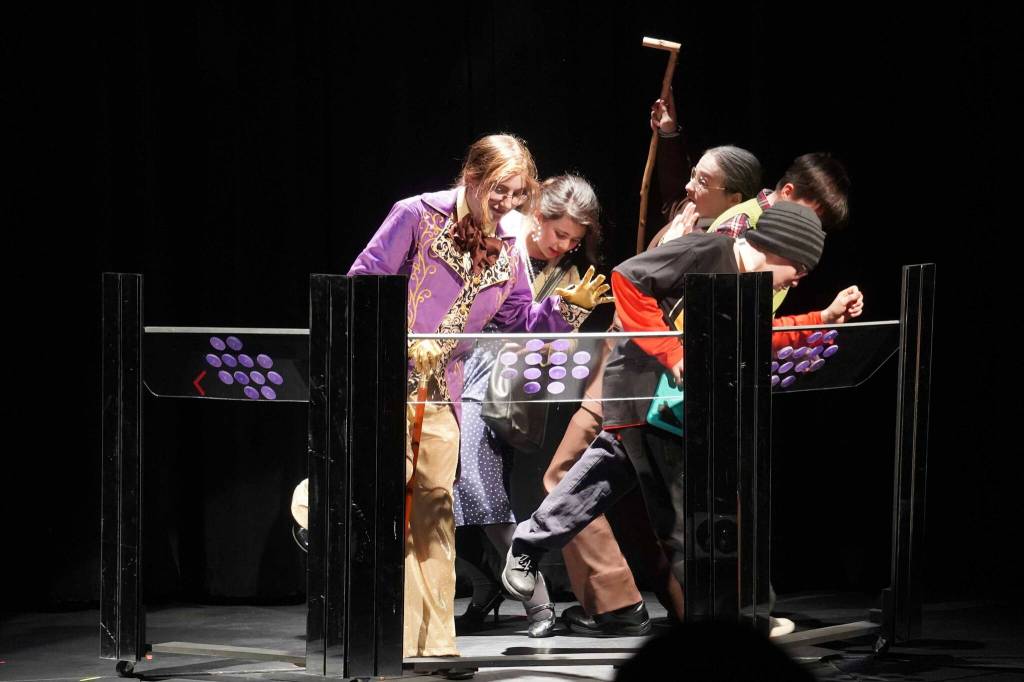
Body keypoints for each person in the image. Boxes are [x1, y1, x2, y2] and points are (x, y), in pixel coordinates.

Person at [501, 203, 864, 635]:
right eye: (800, 268)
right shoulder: (708, 250)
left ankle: (528, 544)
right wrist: (672, 353)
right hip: (641, 391)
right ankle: (732, 620)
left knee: (607, 481)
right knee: (677, 516)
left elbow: (756, 336)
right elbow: (628, 278)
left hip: (674, 406)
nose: (799, 279)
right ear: (781, 250)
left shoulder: (748, 285)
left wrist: (821, 319)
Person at [347, 134, 613, 658]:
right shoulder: (417, 216)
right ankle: (370, 633)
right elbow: (361, 285)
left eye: (518, 195)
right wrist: (400, 340)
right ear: (471, 177)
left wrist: (564, 310)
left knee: (435, 520)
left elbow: (517, 323)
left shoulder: (506, 250)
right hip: (386, 388)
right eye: (499, 191)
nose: (508, 205)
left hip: (442, 397)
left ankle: (432, 647)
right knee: (377, 510)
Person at [544, 136, 763, 636]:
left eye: (703, 182)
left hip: (644, 379)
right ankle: (662, 607)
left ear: (734, 198)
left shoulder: (722, 243)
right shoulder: (692, 218)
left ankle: (625, 603)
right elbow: (675, 182)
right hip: (625, 368)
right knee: (641, 501)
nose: (690, 186)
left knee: (568, 478)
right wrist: (667, 135)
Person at [452, 174, 604, 638]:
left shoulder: (568, 275)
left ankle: (539, 606)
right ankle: (486, 586)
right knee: (444, 493)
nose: (565, 246)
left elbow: (556, 349)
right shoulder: (502, 237)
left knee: (480, 492)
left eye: (575, 241)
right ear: (537, 218)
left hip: (502, 391)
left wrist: (563, 320)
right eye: (560, 234)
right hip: (459, 367)